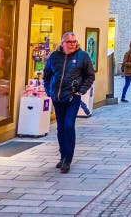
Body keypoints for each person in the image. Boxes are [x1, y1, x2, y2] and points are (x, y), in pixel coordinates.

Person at [43, 32, 95, 173]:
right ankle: (63, 155)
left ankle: (68, 159)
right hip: (58, 98)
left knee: (68, 126)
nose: (73, 44)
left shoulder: (82, 56)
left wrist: (80, 90)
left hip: (72, 97)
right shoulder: (54, 57)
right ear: (62, 43)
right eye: (69, 41)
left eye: (74, 41)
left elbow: (90, 76)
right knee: (60, 128)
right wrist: (49, 91)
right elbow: (46, 75)